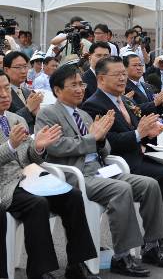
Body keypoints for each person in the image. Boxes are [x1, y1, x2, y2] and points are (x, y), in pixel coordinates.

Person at [36, 64, 163, 274]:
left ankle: (152, 245)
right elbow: (55, 146)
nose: (80, 89)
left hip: (100, 170)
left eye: (81, 84)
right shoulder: (48, 114)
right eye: (73, 85)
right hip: (76, 174)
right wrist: (92, 138)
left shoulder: (83, 115)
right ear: (57, 90)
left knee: (149, 184)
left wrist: (100, 140)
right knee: (120, 190)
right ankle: (122, 256)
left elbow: (105, 147)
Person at [82, 57, 163, 249]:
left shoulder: (125, 101)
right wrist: (139, 134)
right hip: (122, 160)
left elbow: (138, 132)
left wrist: (148, 133)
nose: (122, 78)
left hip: (143, 153)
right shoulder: (94, 104)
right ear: (102, 79)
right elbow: (109, 142)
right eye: (117, 75)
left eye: (123, 73)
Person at [0, 70, 99, 279]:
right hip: (4, 185)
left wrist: (37, 147)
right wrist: (10, 145)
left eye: (6, 88)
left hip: (28, 178)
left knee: (72, 195)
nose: (4, 94)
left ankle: (77, 264)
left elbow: (29, 157)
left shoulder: (16, 118)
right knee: (38, 204)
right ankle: (40, 271)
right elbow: (10, 151)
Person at [4, 51, 44, 133]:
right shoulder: (3, 94)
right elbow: (5, 121)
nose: (23, 71)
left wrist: (36, 113)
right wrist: (28, 108)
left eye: (25, 66)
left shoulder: (28, 92)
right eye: (18, 67)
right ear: (6, 70)